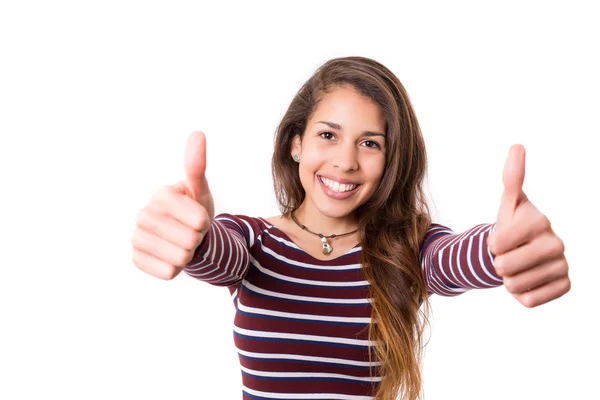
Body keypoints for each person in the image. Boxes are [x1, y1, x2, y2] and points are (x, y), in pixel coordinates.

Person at [131, 56, 571, 400]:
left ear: (391, 160)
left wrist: (501, 247)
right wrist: (191, 238)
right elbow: (215, 252)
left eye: (369, 143)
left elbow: (453, 259)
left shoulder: (407, 248)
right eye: (328, 135)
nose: (345, 161)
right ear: (296, 143)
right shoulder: (252, 241)